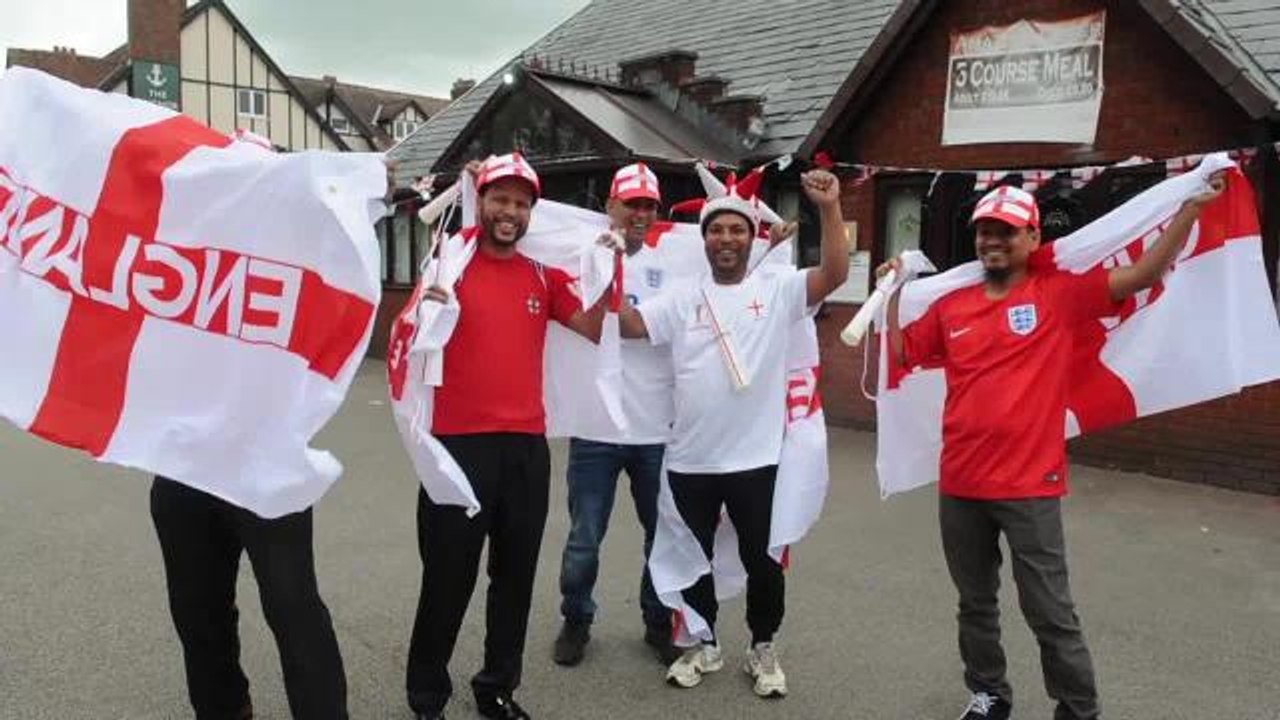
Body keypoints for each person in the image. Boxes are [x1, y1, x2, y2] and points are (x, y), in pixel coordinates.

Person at [878, 179, 1225, 720]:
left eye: (1006, 232)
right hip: (961, 483)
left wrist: (1189, 209)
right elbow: (901, 352)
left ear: (1032, 235)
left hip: (1028, 485)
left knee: (1049, 610)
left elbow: (1143, 274)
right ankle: (990, 694)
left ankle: (1078, 708)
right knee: (975, 604)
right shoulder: (954, 307)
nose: (992, 241)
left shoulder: (1057, 293)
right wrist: (891, 291)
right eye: (984, 232)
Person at [616, 167, 849, 698]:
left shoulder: (779, 290)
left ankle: (762, 645)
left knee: (762, 563)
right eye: (716, 230)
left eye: (736, 230)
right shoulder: (682, 298)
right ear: (704, 240)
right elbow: (630, 326)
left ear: (751, 237)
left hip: (757, 460)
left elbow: (833, 273)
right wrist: (598, 265)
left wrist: (830, 209)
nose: (726, 239)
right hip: (690, 460)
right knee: (692, 556)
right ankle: (704, 642)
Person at [405, 153, 607, 720]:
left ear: (530, 213)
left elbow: (591, 327)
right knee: (447, 578)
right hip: (456, 445)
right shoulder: (450, 262)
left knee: (514, 578)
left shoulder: (542, 274)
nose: (510, 212)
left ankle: (496, 686)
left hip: (525, 448)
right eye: (500, 199)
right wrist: (431, 305)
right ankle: (427, 698)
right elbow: (416, 330)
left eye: (521, 203)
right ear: (483, 202)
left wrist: (609, 268)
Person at [552, 162, 681, 667]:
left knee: (661, 534)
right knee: (585, 536)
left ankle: (656, 621)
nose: (641, 214)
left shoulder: (669, 267)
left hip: (654, 427)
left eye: (649, 205)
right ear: (610, 206)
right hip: (596, 424)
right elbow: (522, 241)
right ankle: (576, 618)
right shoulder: (581, 258)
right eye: (632, 204)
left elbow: (649, 328)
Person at [150, 476, 347, 720]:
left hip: (265, 470)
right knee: (196, 608)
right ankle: (225, 708)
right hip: (182, 469)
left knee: (292, 609)